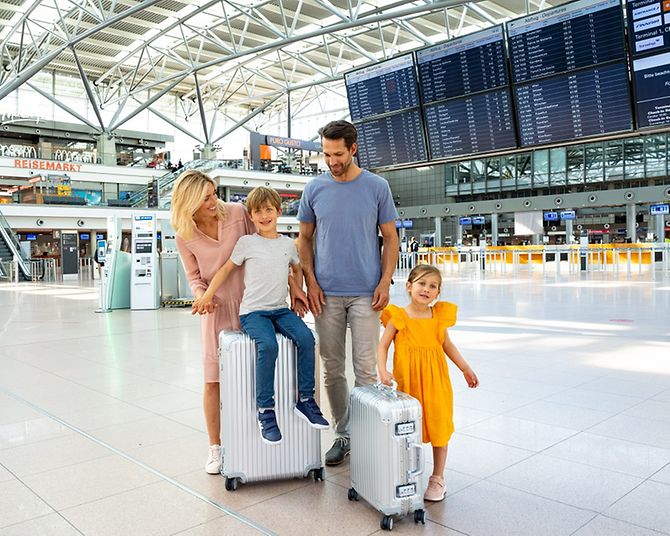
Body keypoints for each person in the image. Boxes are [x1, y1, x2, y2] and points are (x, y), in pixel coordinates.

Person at [297, 119, 399, 466]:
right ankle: (344, 433)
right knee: (332, 368)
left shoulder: (377, 187)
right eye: (326, 154)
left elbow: (391, 238)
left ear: (353, 149)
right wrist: (310, 280)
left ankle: (367, 434)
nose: (332, 161)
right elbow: (304, 239)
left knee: (366, 369)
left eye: (338, 154)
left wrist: (385, 280)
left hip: (366, 292)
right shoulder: (314, 189)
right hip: (326, 293)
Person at [192, 186, 328, 444]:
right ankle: (266, 411)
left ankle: (306, 400)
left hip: (280, 309)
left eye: (269, 210)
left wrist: (297, 291)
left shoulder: (288, 244)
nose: (264, 215)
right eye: (257, 211)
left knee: (307, 339)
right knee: (267, 345)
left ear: (278, 212)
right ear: (250, 217)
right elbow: (225, 270)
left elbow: (296, 269)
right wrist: (207, 295)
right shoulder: (247, 243)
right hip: (253, 313)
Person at [172, 169, 256, 475]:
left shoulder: (237, 213)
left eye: (213, 193)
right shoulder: (184, 235)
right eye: (206, 197)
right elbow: (194, 277)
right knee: (213, 381)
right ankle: (215, 447)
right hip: (215, 310)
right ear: (190, 201)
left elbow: (260, 247)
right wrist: (201, 296)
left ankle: (252, 438)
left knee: (254, 373)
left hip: (251, 304)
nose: (213, 201)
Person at [377, 264, 479, 502]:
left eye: (433, 286)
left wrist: (465, 368)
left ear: (438, 293)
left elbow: (447, 346)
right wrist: (383, 369)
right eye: (422, 283)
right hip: (408, 383)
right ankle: (403, 473)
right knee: (406, 429)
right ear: (409, 286)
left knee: (439, 424)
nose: (426, 289)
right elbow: (383, 345)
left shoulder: (438, 317)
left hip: (436, 382)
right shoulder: (398, 316)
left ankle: (437, 478)